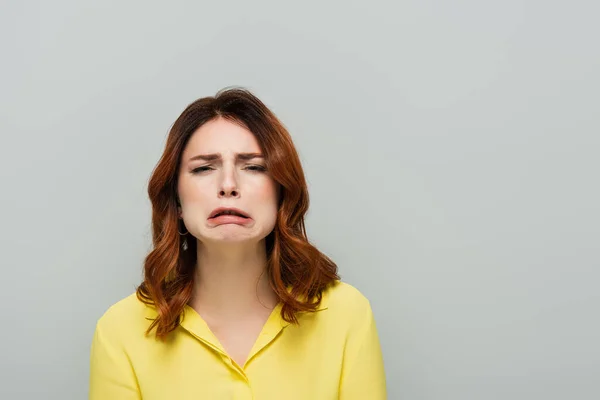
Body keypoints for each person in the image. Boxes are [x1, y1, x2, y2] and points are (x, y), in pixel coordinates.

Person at [88, 87, 387, 399]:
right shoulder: (120, 331)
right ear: (175, 198)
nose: (228, 185)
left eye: (254, 167)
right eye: (204, 168)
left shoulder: (346, 314)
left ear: (282, 192)